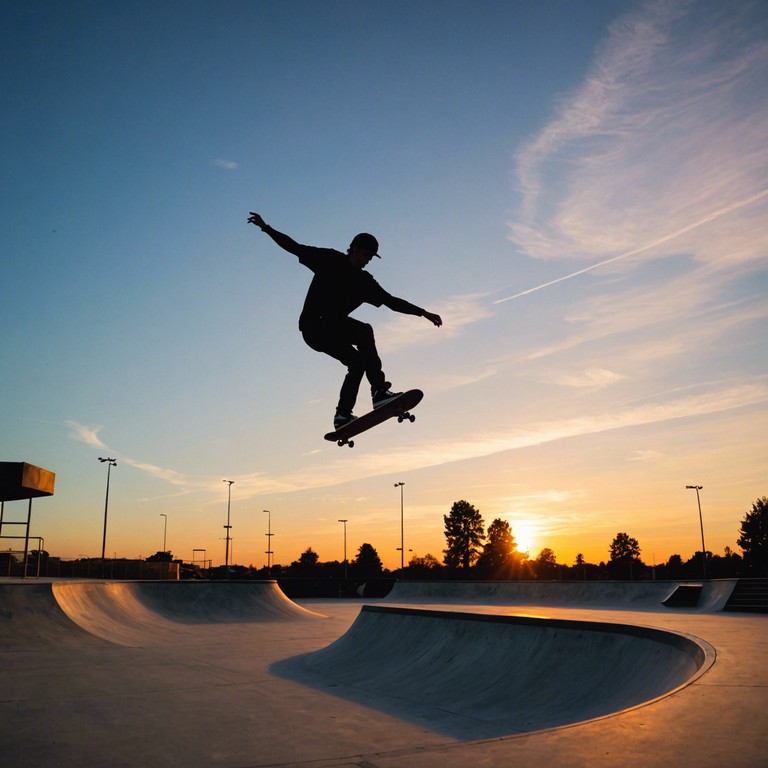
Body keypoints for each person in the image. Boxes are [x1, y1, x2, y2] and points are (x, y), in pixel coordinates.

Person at [248, 212, 443, 428]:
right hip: (314, 326)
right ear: (354, 248)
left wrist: (422, 312)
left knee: (358, 363)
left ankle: (342, 414)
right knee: (364, 331)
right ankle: (379, 391)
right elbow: (295, 247)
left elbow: (390, 300)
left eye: (371, 258)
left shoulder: (365, 281)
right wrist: (266, 228)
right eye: (365, 255)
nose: (367, 260)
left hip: (330, 331)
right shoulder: (329, 260)